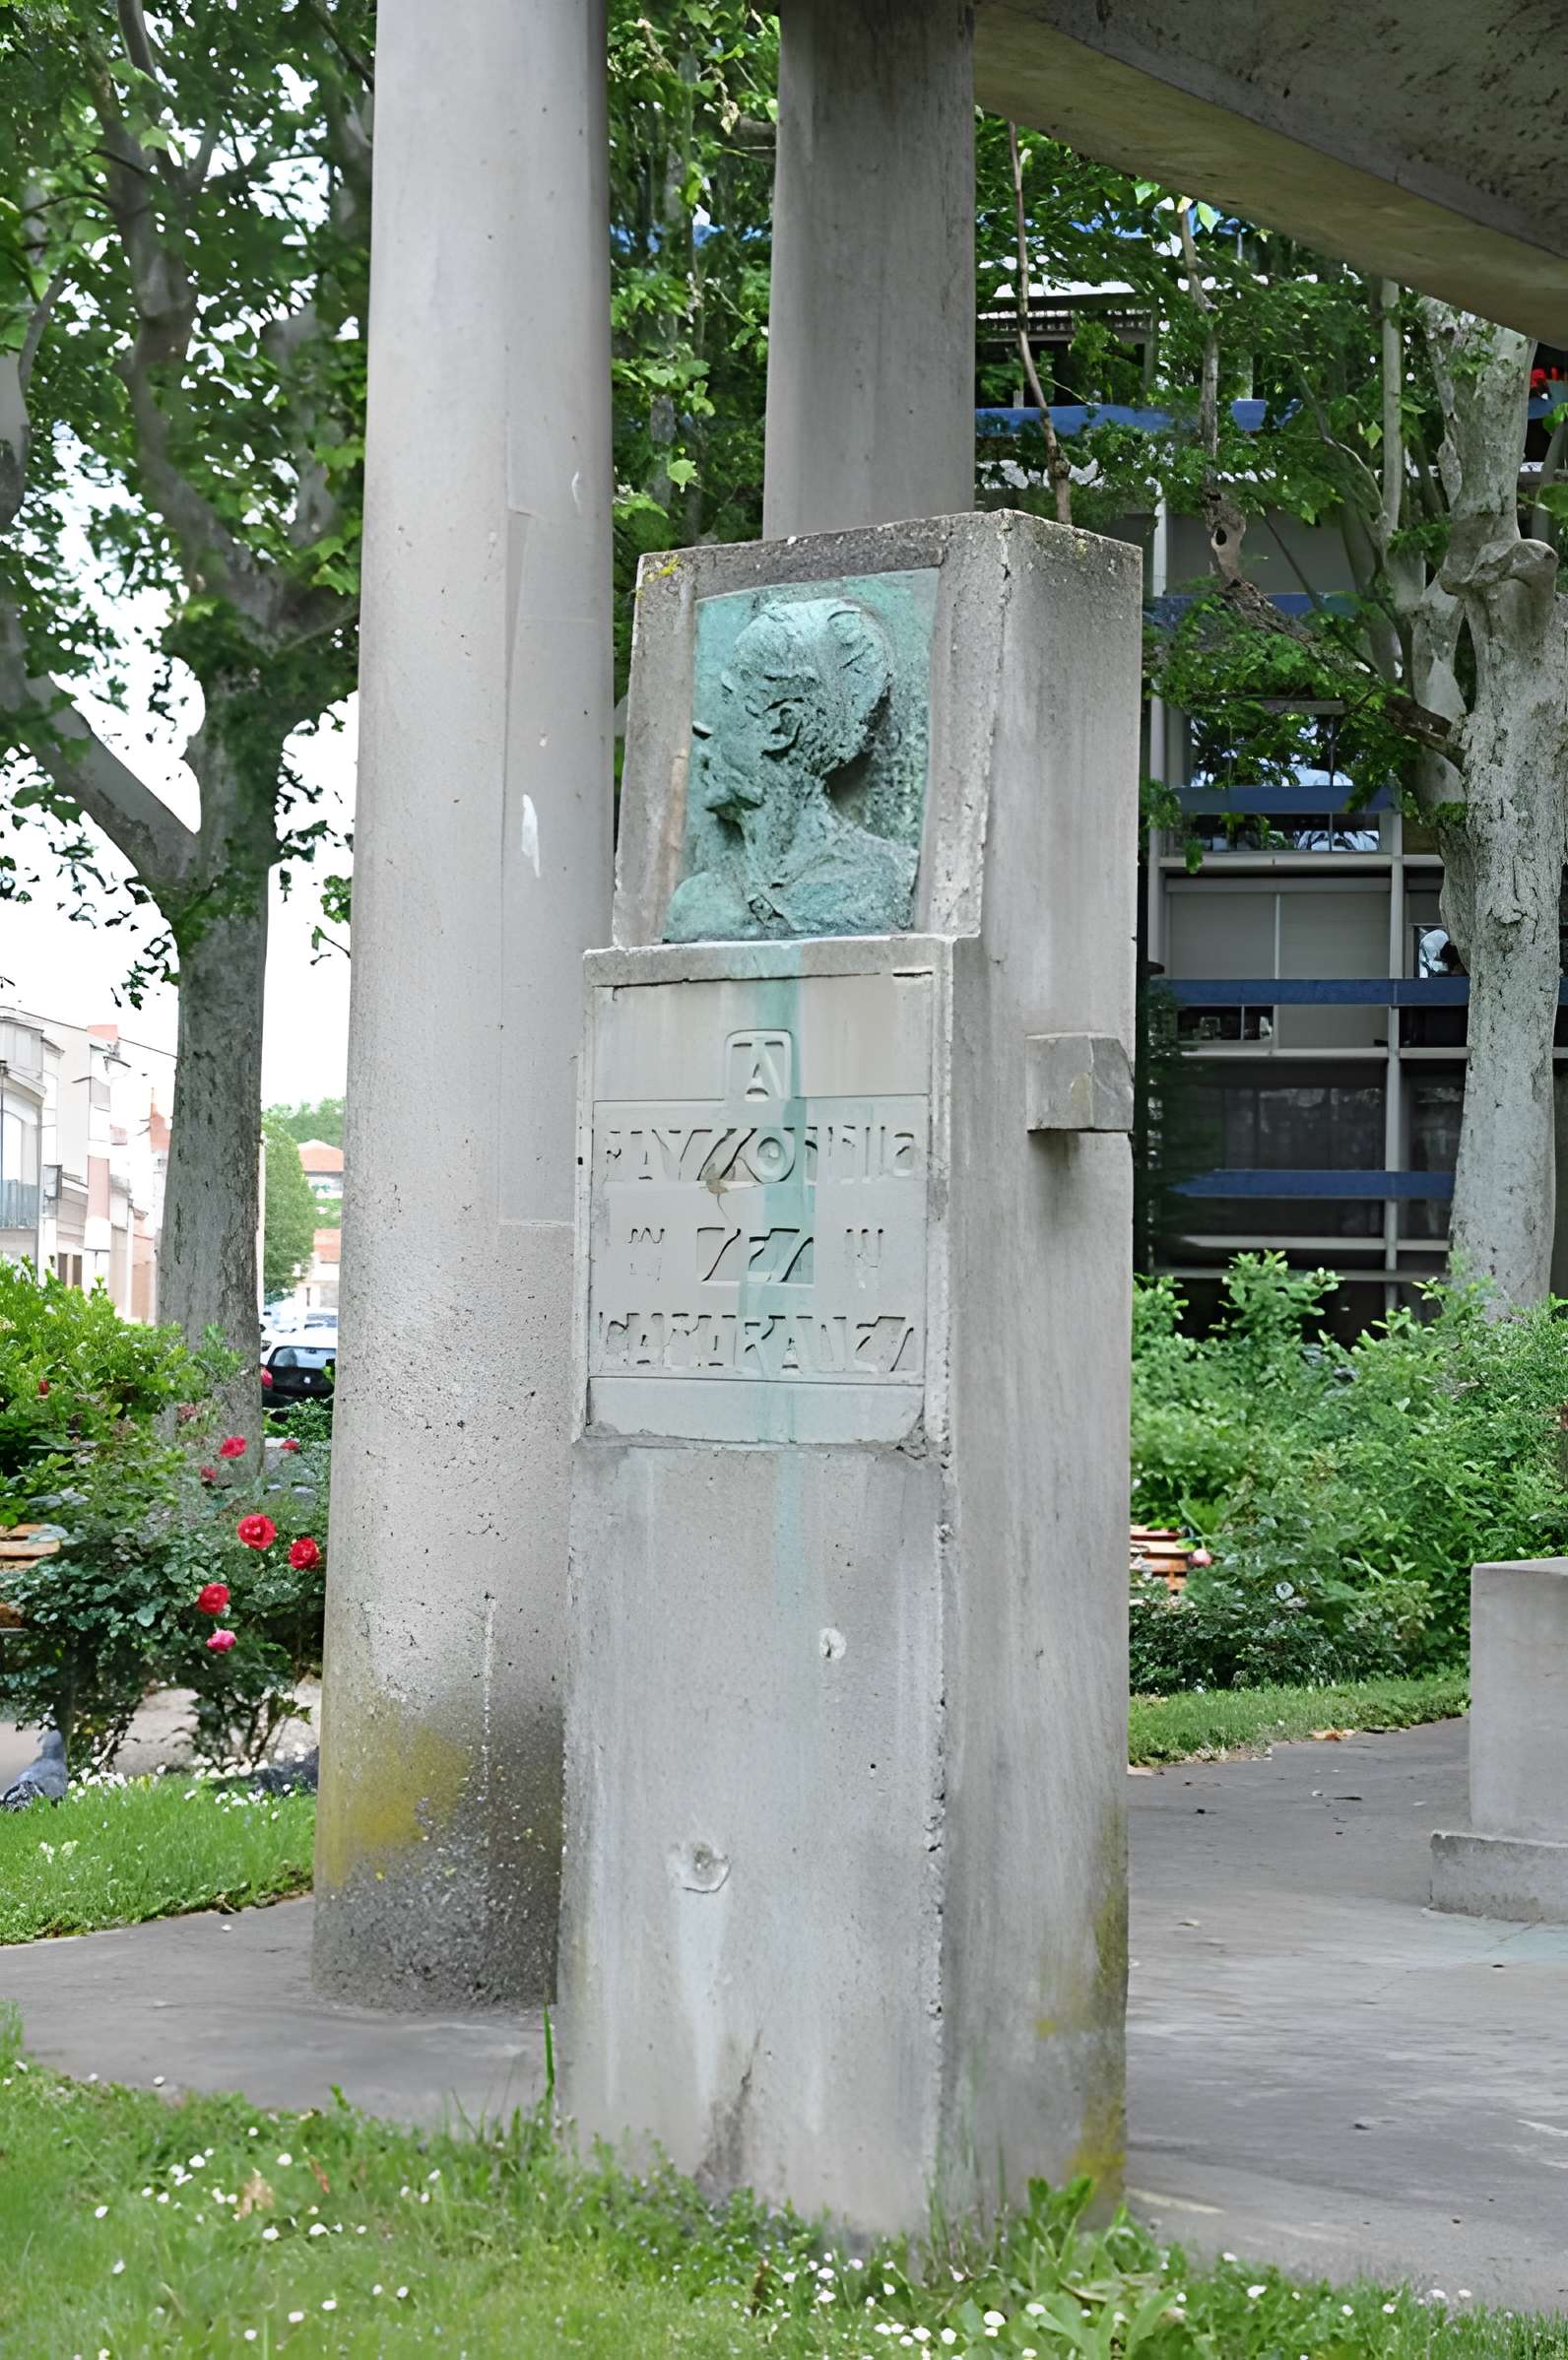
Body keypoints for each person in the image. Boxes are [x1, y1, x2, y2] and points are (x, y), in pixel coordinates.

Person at [664, 595, 917, 943]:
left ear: (782, 728)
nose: (703, 725)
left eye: (727, 698)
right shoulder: (695, 905)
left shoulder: (884, 881)